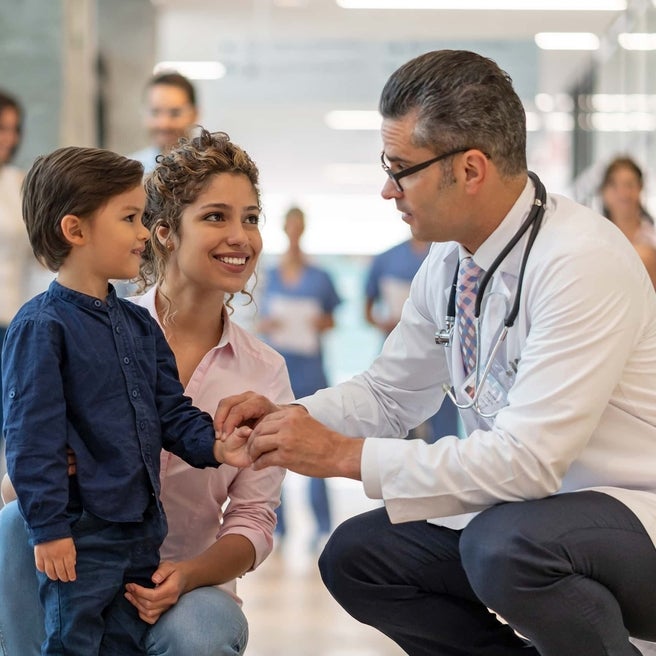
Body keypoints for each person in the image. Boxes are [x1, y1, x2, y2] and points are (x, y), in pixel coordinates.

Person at [216, 49, 656, 656]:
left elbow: (529, 463)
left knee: (504, 546)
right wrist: (287, 418)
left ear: (470, 169)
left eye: (401, 168)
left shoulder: (580, 260)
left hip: (632, 517)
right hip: (525, 517)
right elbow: (389, 392)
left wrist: (346, 456)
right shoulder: (452, 264)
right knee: (358, 556)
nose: (386, 189)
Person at [0, 129, 292, 656]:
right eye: (215, 216)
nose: (241, 236)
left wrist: (216, 445)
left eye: (251, 218)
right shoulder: (54, 325)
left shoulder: (254, 367)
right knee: (15, 532)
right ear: (164, 232)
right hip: (80, 541)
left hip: (169, 566)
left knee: (182, 636)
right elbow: (28, 439)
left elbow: (176, 417)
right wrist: (52, 497)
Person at [257, 206, 341, 549]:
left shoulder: (320, 277)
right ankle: (277, 528)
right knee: (273, 449)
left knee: (316, 444)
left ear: (303, 228)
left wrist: (318, 322)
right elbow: (254, 319)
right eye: (289, 225)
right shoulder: (268, 275)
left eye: (298, 225)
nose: (294, 230)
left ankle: (322, 526)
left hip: (311, 371)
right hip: (277, 370)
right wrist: (268, 325)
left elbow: (333, 320)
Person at [364, 233, 460, 442]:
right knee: (395, 431)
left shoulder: (454, 256)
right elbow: (367, 311)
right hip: (399, 350)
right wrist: (384, 323)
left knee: (444, 432)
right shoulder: (387, 259)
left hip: (443, 352)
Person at [600, 155, 656, 288]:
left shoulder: (652, 240)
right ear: (604, 192)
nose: (623, 193)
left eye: (629, 185)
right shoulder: (593, 239)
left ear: (640, 189)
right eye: (615, 186)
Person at [128, 71, 198, 174]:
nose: (164, 124)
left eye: (175, 113)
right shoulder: (130, 173)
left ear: (194, 115)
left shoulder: (215, 174)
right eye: (155, 112)